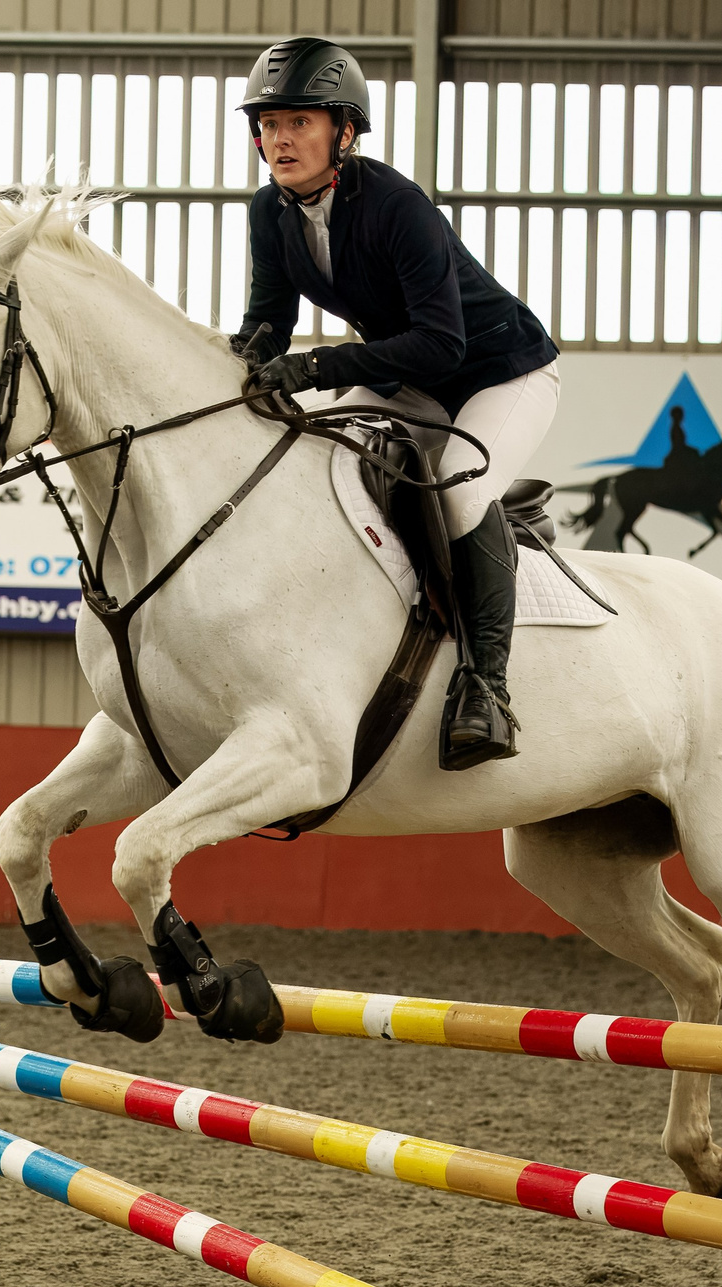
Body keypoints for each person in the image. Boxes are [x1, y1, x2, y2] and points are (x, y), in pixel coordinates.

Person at [231, 36, 559, 770]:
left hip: (499, 372)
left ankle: (486, 688)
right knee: (321, 462)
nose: (279, 140)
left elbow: (442, 345)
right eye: (269, 124)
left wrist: (318, 364)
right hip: (406, 369)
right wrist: (232, 370)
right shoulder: (270, 212)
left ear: (344, 131)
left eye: (299, 123)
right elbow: (266, 323)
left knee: (460, 496)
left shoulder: (397, 205)